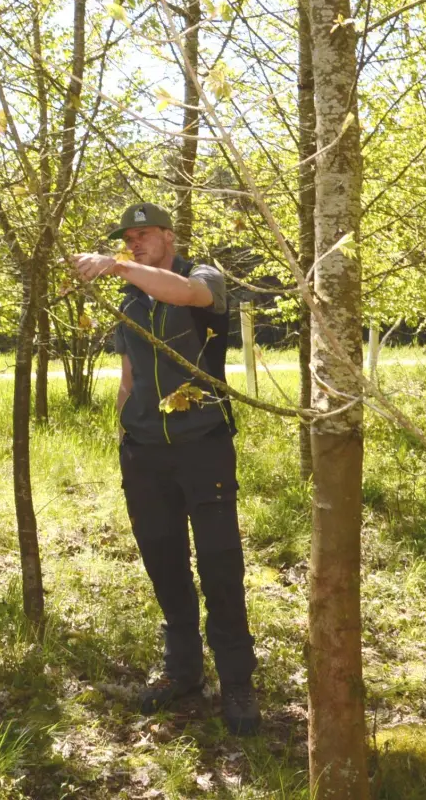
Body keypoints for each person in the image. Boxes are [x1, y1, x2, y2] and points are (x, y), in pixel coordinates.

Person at [69, 201, 260, 737]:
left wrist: (115, 265)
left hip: (204, 446)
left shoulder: (203, 278)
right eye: (127, 238)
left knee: (221, 566)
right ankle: (182, 671)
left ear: (170, 237)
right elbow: (128, 377)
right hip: (145, 454)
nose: (133, 243)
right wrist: (124, 433)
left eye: (144, 235)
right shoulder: (130, 302)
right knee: (164, 562)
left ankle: (237, 681)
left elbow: (190, 295)